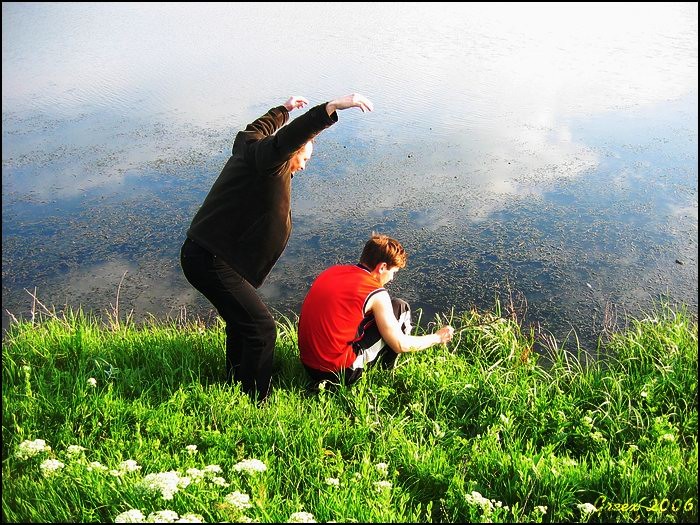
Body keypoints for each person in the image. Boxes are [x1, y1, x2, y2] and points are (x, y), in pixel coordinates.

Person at [180, 93, 374, 403]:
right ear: (291, 153)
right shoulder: (271, 163)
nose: (305, 167)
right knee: (261, 329)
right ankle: (257, 400)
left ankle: (236, 383)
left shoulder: (250, 147)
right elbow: (287, 139)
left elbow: (257, 127)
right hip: (210, 259)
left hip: (206, 253)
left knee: (241, 322)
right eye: (305, 159)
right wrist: (329, 110)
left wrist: (282, 110)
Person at [298, 233, 454, 388]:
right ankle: (386, 374)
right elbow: (401, 344)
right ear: (382, 267)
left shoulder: (332, 272)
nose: (392, 278)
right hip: (338, 373)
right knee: (400, 308)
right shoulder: (375, 292)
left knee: (382, 313)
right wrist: (438, 337)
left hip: (308, 366)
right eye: (393, 272)